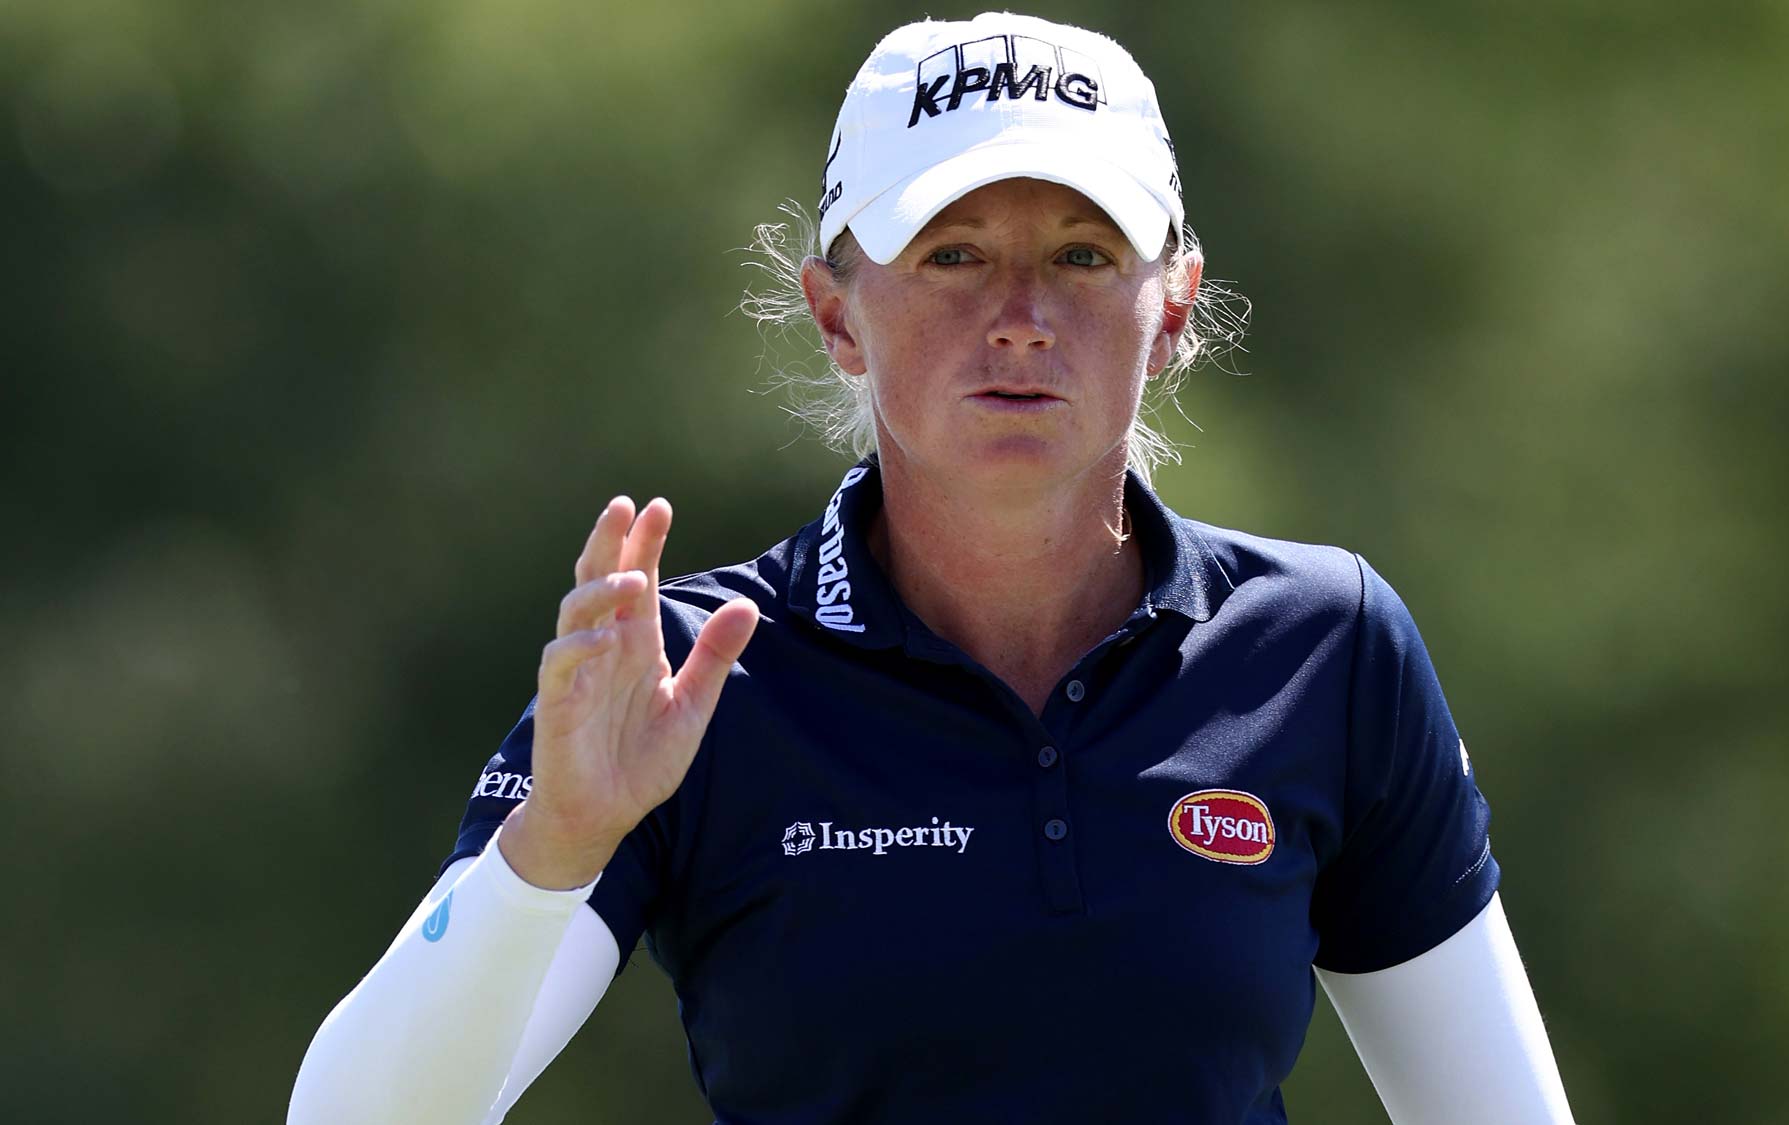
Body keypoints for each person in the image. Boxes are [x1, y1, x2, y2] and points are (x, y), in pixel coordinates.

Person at [289, 12, 1575, 1124]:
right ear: (837, 313)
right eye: (950, 254)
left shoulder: (1325, 648)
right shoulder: (692, 673)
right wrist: (555, 844)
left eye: (1081, 254)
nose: (1019, 313)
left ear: (1170, 308)